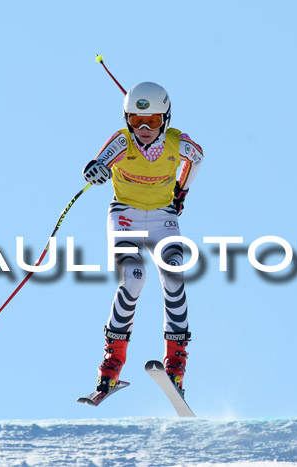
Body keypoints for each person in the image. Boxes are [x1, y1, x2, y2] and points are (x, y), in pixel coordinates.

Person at [82, 82, 203, 397]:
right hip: (126, 217)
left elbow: (197, 158)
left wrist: (181, 190)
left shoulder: (179, 143)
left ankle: (176, 366)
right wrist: (96, 171)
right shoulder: (123, 142)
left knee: (174, 276)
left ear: (166, 118)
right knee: (134, 277)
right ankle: (111, 364)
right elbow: (100, 162)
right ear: (127, 119)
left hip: (163, 217)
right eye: (136, 120)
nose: (145, 128)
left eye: (153, 120)